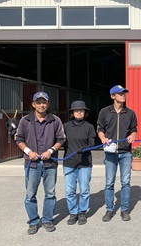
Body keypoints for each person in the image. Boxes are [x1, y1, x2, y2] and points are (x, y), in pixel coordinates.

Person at [15, 91, 65, 235]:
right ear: (33, 104)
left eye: (44, 102)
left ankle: (48, 220)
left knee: (50, 193)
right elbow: (18, 139)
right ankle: (33, 221)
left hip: (50, 163)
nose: (42, 105)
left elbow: (61, 139)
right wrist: (29, 152)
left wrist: (50, 150)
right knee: (30, 194)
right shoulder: (25, 120)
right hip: (32, 164)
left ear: (48, 104)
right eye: (39, 102)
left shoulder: (55, 120)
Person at [97, 85, 138, 222]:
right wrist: (103, 138)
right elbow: (100, 128)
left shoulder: (130, 113)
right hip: (111, 153)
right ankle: (109, 210)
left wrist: (132, 135)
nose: (123, 95)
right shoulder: (104, 112)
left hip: (125, 152)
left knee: (125, 182)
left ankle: (124, 210)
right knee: (109, 182)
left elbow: (134, 129)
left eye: (124, 93)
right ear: (112, 96)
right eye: (120, 93)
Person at [63, 101, 96, 225]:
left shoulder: (89, 127)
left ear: (85, 112)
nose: (79, 112)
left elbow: (92, 143)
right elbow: (60, 141)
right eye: (76, 110)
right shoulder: (65, 126)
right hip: (69, 163)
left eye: (81, 110)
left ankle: (82, 212)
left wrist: (86, 148)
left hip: (84, 163)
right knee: (70, 190)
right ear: (72, 112)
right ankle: (73, 212)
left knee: (84, 189)